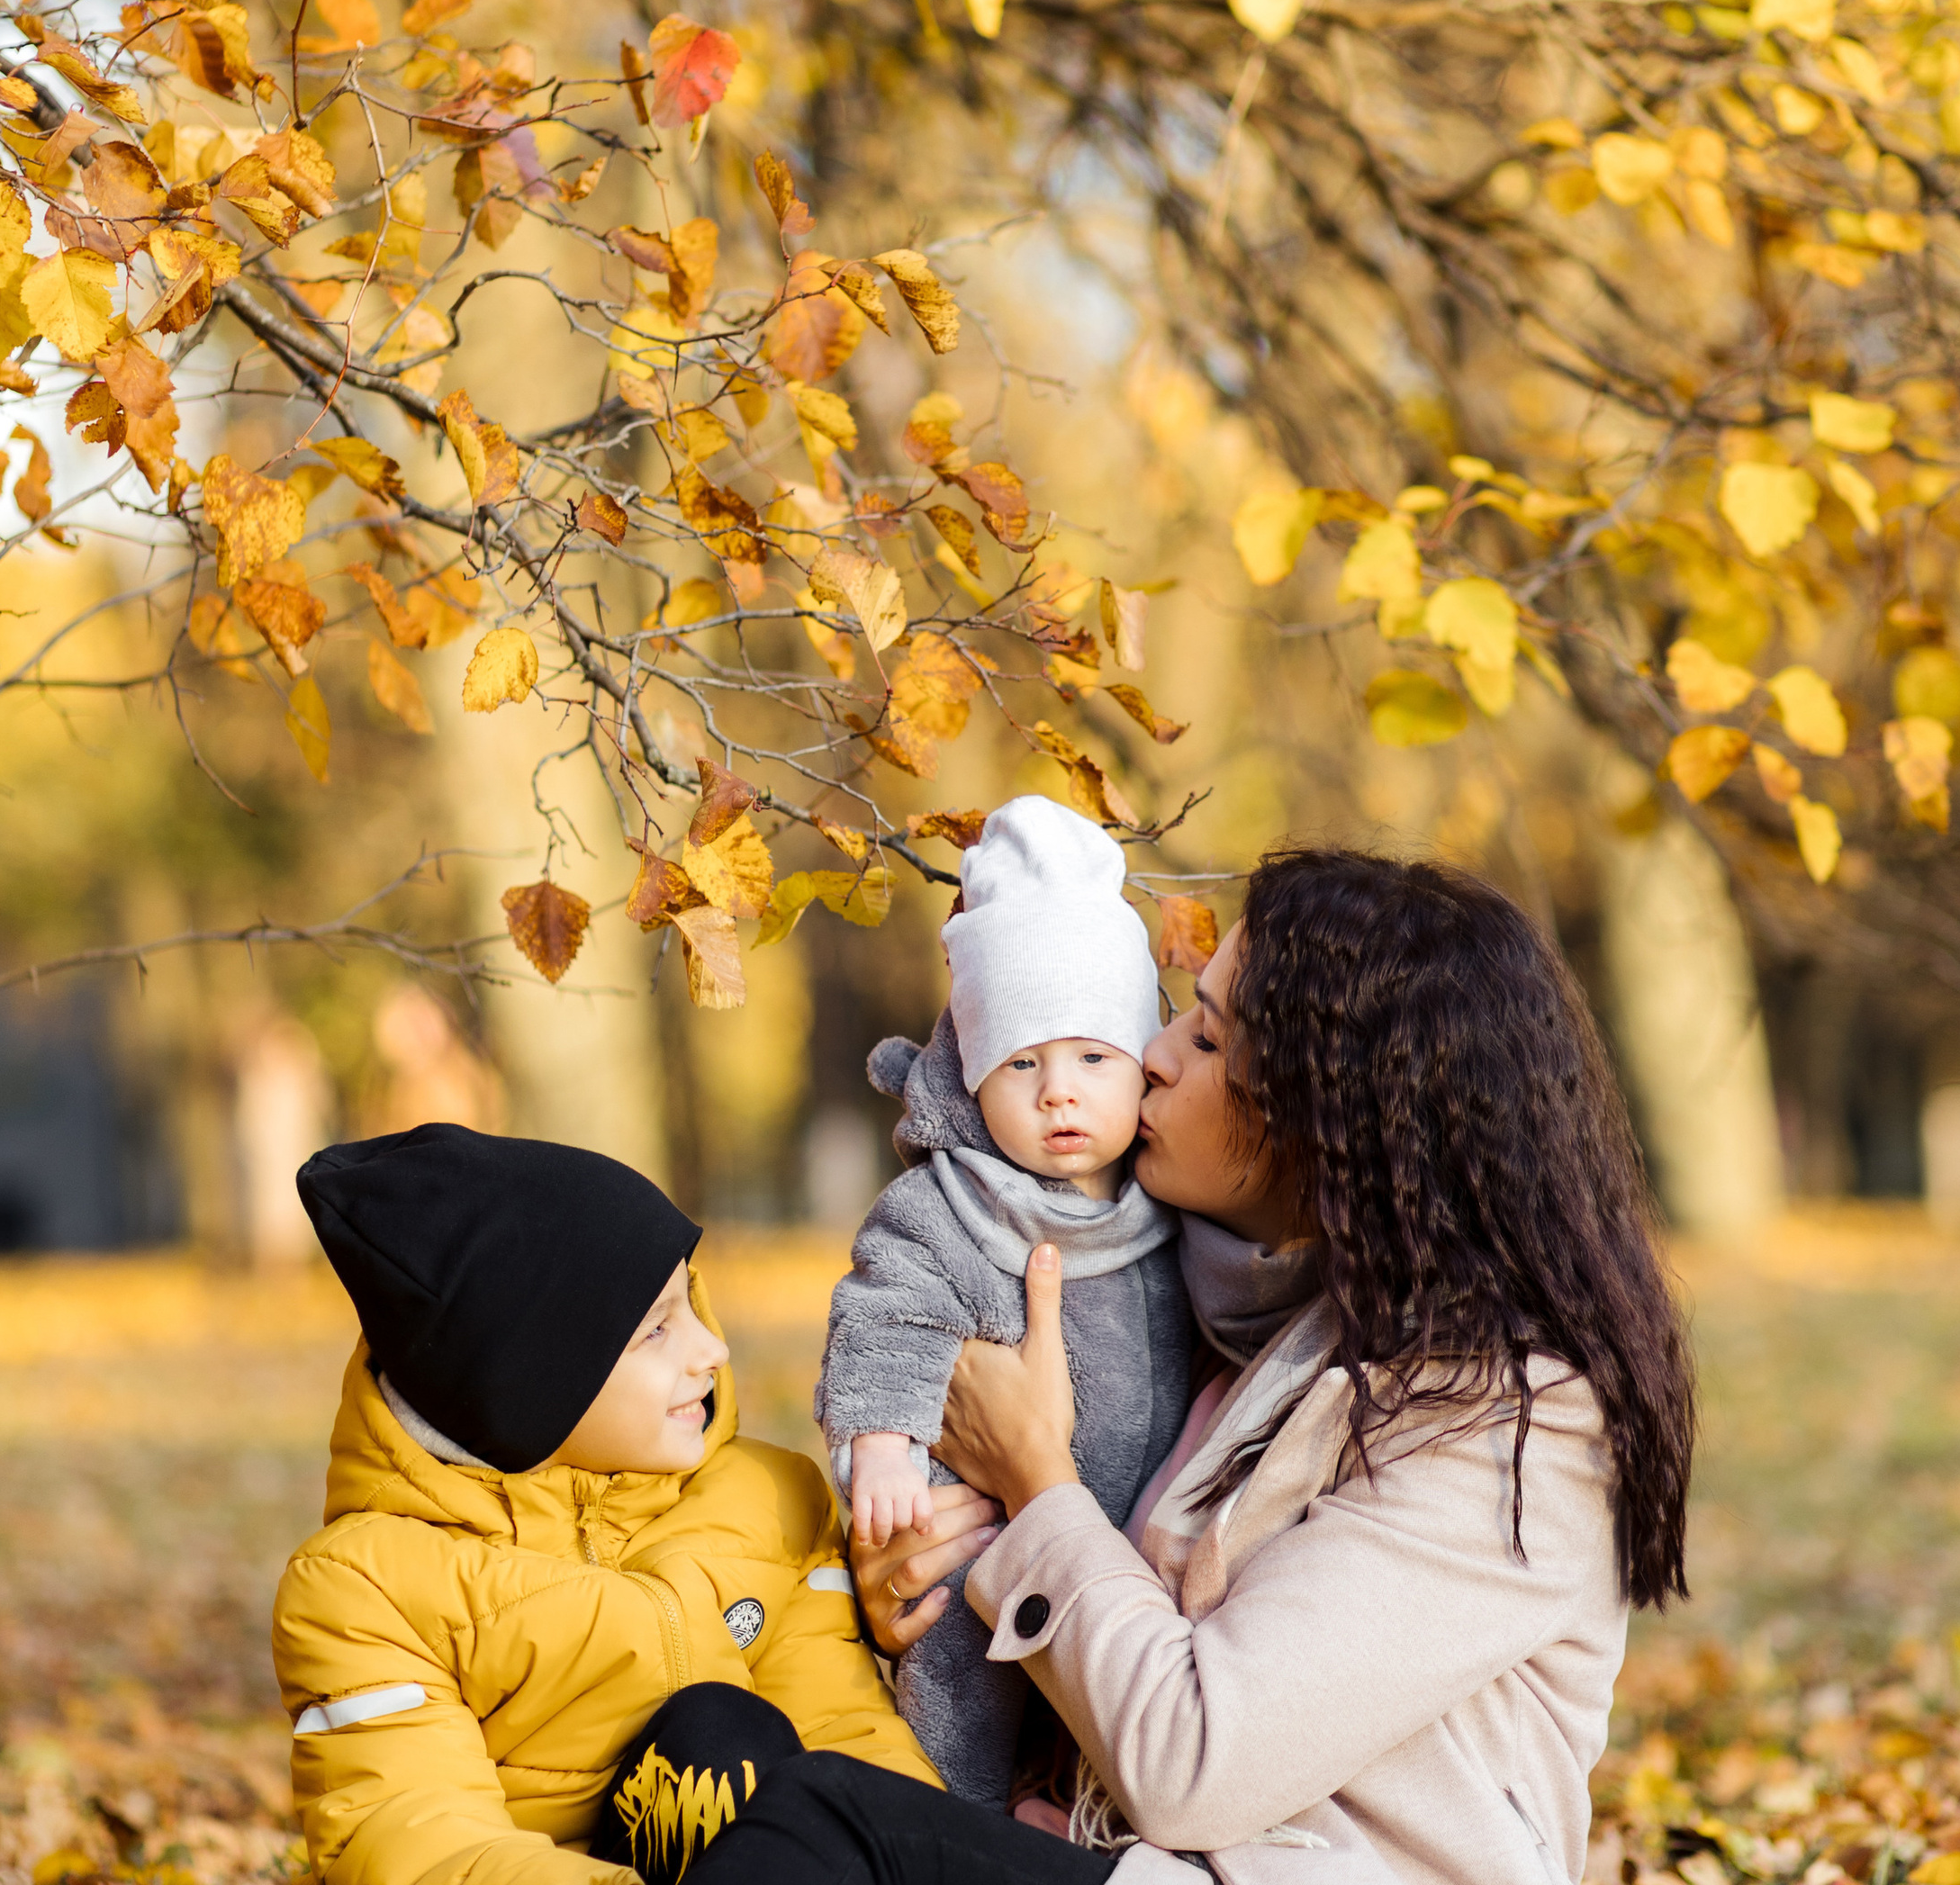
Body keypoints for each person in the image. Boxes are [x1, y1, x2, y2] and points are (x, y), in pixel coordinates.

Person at [852, 847, 1698, 1885]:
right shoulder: (1221, 1332)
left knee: (826, 1824)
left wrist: (1038, 1481)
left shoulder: (1512, 1425)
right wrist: (920, 1585)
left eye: (1206, 1036)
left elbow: (1190, 1763)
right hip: (1104, 1856)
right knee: (726, 1750)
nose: (1151, 1053)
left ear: (1331, 1119)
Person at [271, 1123, 938, 1885]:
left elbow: (849, 1741)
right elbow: (427, 1850)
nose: (710, 1349)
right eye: (656, 1330)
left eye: (690, 1302)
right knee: (721, 1742)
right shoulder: (366, 1588)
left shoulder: (769, 1501)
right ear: (527, 1389)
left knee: (748, 1748)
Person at [815, 795, 1194, 1803]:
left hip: (1134, 1560)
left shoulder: (1175, 1204)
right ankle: (946, 1831)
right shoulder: (948, 1207)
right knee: (957, 1715)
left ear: (1142, 1060)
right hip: (974, 1546)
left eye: (1091, 1057)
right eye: (1020, 1063)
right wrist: (884, 1445)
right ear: (971, 1075)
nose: (1058, 1092)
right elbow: (881, 1314)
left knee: (1101, 1734)